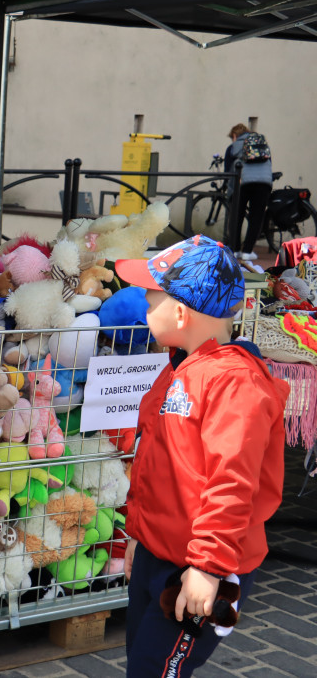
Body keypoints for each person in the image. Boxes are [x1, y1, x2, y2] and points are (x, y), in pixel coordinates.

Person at [115, 235, 289, 677]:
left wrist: (208, 567)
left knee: (155, 669)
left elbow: (231, 482)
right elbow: (160, 464)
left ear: (179, 312)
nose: (143, 305)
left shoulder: (234, 383)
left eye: (150, 298)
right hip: (160, 553)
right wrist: (139, 534)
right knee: (143, 661)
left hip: (199, 563)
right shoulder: (182, 367)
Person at [223, 123, 273, 261]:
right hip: (263, 183)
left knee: (236, 217)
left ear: (234, 135)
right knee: (256, 217)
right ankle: (248, 251)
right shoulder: (262, 144)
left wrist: (227, 187)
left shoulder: (233, 147)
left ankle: (235, 249)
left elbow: (228, 171)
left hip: (242, 183)